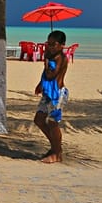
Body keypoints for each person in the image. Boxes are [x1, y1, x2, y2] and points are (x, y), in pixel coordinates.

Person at [33, 30, 69, 164]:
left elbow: (51, 74)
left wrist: (46, 60)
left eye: (54, 44)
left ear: (62, 45)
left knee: (53, 123)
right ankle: (55, 147)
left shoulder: (61, 58)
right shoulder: (51, 55)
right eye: (49, 44)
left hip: (57, 94)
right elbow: (45, 75)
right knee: (39, 119)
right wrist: (40, 84)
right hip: (48, 92)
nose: (50, 47)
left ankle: (57, 152)